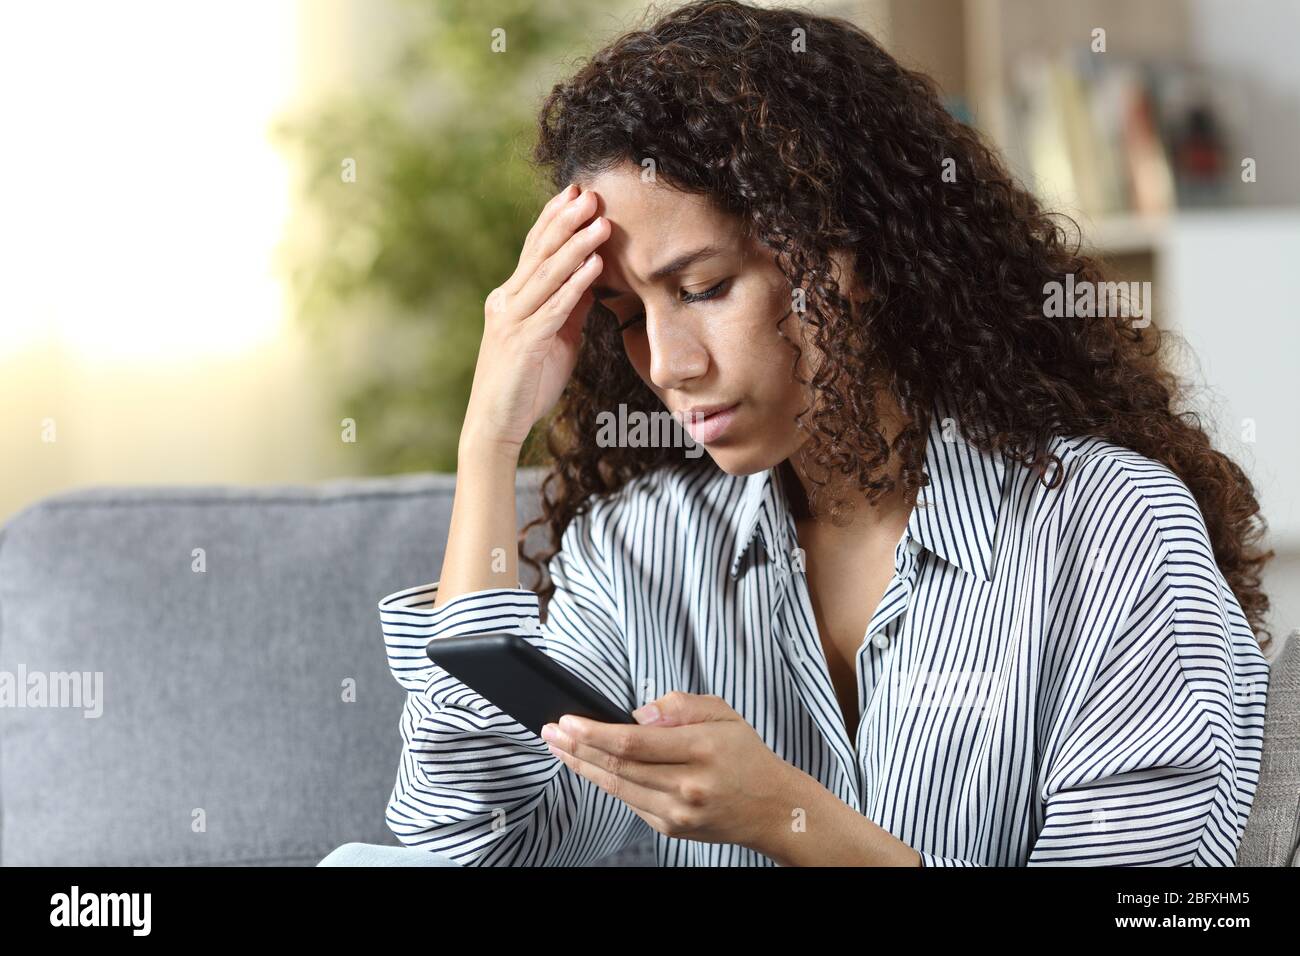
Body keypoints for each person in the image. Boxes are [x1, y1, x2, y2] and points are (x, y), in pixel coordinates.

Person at [319, 0, 1273, 867]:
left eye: (701, 288)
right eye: (626, 316)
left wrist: (789, 818)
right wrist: (488, 440)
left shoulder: (1110, 531)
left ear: (844, 255)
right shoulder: (641, 550)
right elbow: (463, 847)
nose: (669, 364)